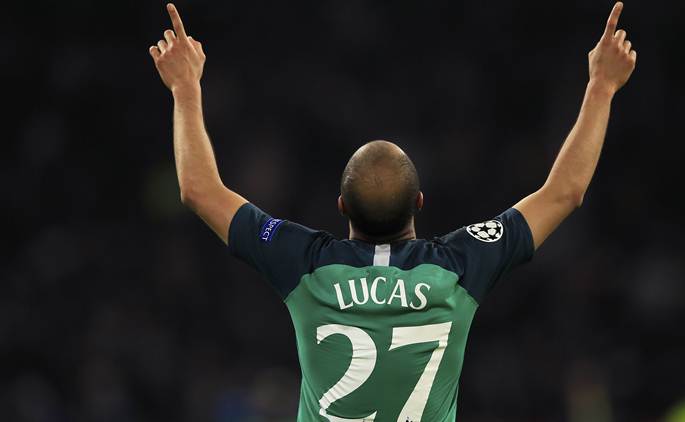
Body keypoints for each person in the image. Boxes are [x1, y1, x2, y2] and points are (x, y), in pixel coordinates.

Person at [148, 2, 636, 420]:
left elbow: (198, 190)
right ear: (419, 203)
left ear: (341, 207)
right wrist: (602, 88)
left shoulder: (306, 265)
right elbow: (564, 191)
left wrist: (185, 89)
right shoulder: (458, 267)